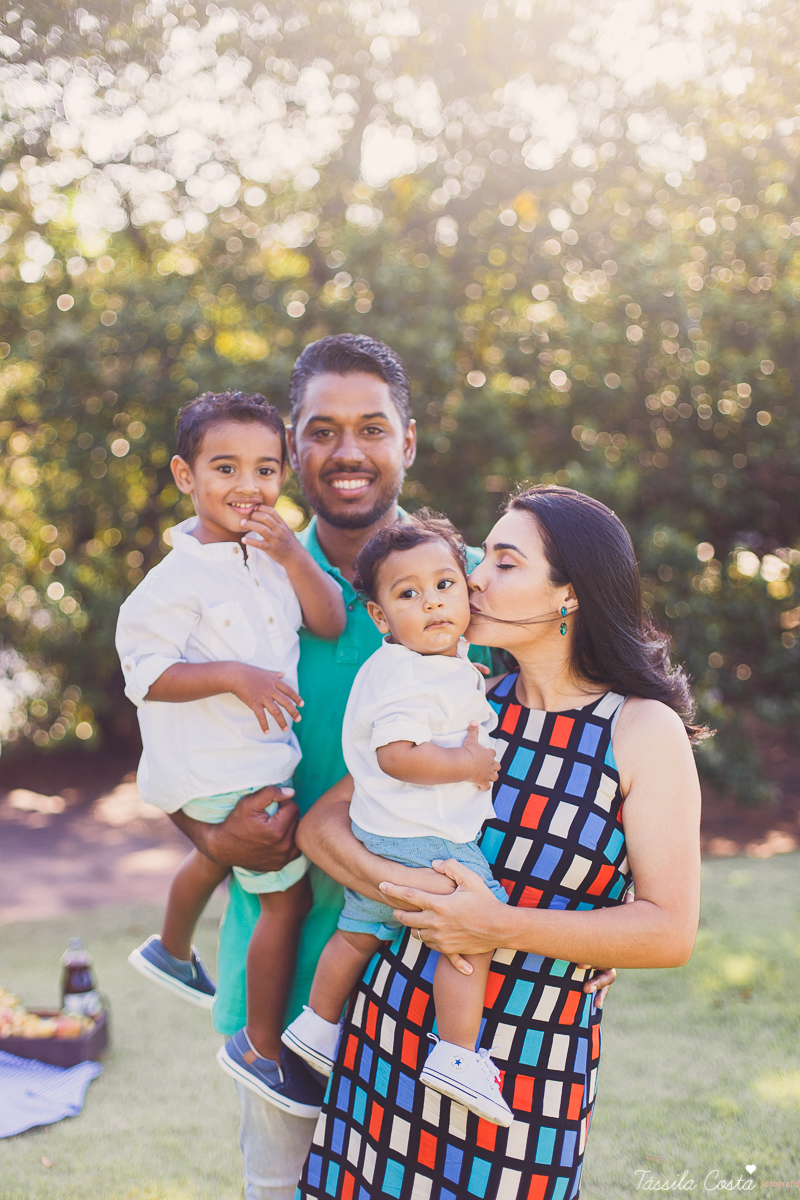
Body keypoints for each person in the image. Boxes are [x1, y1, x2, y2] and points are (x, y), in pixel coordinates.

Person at [160, 337, 614, 1200]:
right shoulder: (236, 582)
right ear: (293, 449)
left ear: (407, 442)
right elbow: (173, 735)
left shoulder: (471, 583)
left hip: (438, 969)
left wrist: (589, 899)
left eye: (372, 428)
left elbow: (571, 720)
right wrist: (208, 835)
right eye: (322, 431)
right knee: (280, 1186)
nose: (348, 451)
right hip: (292, 969)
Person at [294, 485, 703, 1200]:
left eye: (505, 563)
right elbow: (321, 827)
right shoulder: (466, 701)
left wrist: (498, 926)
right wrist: (409, 888)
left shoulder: (640, 731)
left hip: (522, 1077)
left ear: (567, 595)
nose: (474, 576)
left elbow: (669, 932)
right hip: (386, 1047)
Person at [116, 389, 345, 1115]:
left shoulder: (271, 556)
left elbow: (331, 619)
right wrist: (234, 676)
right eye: (226, 468)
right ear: (186, 476)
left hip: (255, 761)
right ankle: (260, 1045)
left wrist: (292, 556)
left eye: (267, 469)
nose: (249, 487)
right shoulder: (173, 582)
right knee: (285, 897)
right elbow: (145, 676)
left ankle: (171, 950)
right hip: (224, 768)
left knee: (220, 859)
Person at [283, 513, 513, 1126]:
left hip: (379, 829)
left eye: (445, 586)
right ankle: (458, 1053)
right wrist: (467, 760)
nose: (434, 603)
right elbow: (398, 756)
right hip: (427, 840)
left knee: (359, 931)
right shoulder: (412, 671)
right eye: (409, 595)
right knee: (474, 927)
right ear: (381, 618)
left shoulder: (418, 665)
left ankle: (316, 1026)